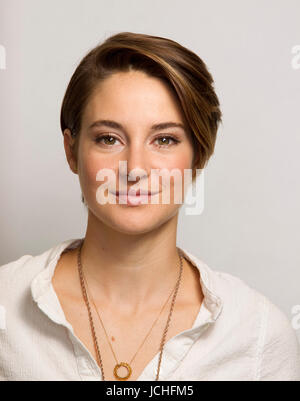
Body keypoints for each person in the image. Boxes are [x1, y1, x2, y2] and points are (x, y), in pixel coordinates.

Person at [0, 32, 299, 382]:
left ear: (198, 155)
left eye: (165, 139)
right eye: (109, 139)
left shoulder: (258, 336)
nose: (135, 168)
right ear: (72, 151)